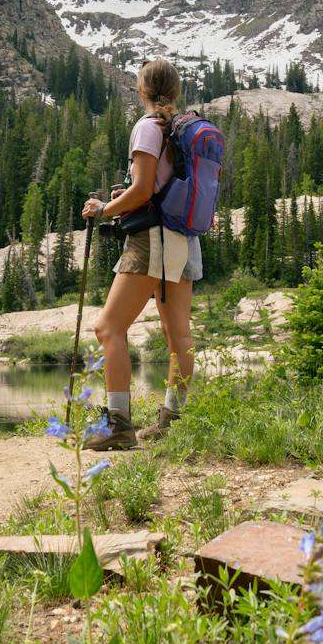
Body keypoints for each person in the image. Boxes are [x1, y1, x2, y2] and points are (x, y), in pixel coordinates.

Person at [80, 60, 199, 450]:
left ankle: (119, 427)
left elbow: (145, 189)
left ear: (141, 90)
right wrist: (126, 197)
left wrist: (103, 208)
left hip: (152, 239)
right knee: (177, 335)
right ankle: (172, 422)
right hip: (183, 238)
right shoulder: (179, 128)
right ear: (175, 91)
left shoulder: (148, 127)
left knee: (108, 328)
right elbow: (156, 186)